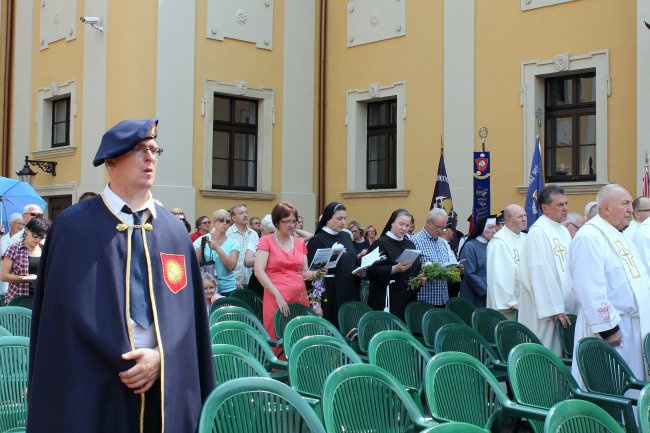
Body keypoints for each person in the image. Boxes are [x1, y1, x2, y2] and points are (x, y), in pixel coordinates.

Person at [26, 118, 215, 432]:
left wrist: (161, 356)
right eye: (139, 150)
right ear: (111, 160)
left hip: (162, 390)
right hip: (92, 388)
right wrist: (121, 359)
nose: (150, 157)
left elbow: (189, 317)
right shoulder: (74, 228)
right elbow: (60, 323)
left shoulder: (173, 231)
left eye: (154, 150)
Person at [570, 184, 649, 383]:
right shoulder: (589, 237)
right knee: (613, 383)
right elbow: (588, 287)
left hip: (632, 326)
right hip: (613, 330)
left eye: (631, 204)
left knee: (632, 384)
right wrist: (608, 329)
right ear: (606, 208)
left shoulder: (618, 235)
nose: (631, 209)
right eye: (625, 204)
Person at [518, 184, 576, 356]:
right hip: (547, 312)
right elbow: (538, 272)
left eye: (566, 203)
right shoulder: (538, 232)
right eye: (560, 205)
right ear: (545, 208)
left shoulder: (563, 231)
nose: (565, 208)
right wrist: (554, 307)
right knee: (548, 353)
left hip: (565, 307)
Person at [254, 202, 321, 342]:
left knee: (300, 335)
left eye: (294, 221)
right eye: (287, 221)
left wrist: (317, 273)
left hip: (300, 296)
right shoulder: (266, 241)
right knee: (277, 335)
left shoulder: (299, 242)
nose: (292, 225)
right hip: (276, 296)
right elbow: (259, 271)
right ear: (277, 222)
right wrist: (277, 296)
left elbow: (303, 273)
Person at [307, 202, 360, 327]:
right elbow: (313, 276)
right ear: (328, 218)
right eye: (339, 219)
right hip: (330, 293)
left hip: (349, 290)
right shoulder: (318, 240)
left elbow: (352, 259)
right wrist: (315, 303)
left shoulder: (346, 236)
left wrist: (360, 270)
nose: (343, 222)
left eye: (344, 219)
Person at [366, 209, 422, 319]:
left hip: (407, 298)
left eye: (407, 225)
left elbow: (415, 267)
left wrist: (419, 279)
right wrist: (393, 269)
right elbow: (371, 270)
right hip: (389, 298)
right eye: (401, 224)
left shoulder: (410, 244)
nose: (404, 228)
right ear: (392, 222)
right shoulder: (380, 243)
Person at [411, 208, 459, 307]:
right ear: (428, 223)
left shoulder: (443, 243)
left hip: (443, 298)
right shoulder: (414, 241)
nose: (441, 231)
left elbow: (447, 265)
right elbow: (410, 272)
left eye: (443, 228)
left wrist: (455, 270)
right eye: (438, 227)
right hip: (424, 300)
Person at [486, 204, 527, 320]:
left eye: (525, 215)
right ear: (508, 220)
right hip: (510, 307)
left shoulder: (526, 238)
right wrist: (510, 301)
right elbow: (499, 275)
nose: (524, 219)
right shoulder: (499, 242)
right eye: (520, 217)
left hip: (525, 302)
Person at [1, 217, 48, 305]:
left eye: (41, 236)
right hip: (17, 300)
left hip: (40, 300)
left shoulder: (45, 250)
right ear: (26, 230)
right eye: (34, 235)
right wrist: (23, 278)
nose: (37, 239)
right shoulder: (14, 248)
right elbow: (3, 276)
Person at [194, 209, 240, 297]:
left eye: (227, 221)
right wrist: (202, 246)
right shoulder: (203, 239)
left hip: (227, 288)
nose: (224, 223)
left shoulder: (233, 243)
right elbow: (193, 264)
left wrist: (217, 248)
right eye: (221, 220)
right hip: (207, 288)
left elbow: (231, 266)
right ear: (214, 222)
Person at [458, 215, 497, 308]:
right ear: (481, 228)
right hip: (474, 294)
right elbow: (469, 273)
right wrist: (486, 290)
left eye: (495, 227)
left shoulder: (492, 246)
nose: (494, 231)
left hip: (490, 293)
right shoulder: (470, 246)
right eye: (490, 227)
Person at [226, 203, 259, 287]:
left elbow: (257, 255)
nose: (245, 215)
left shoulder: (254, 234)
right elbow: (224, 260)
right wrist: (233, 280)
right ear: (233, 218)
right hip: (232, 282)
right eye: (241, 213)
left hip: (251, 281)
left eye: (246, 212)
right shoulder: (227, 234)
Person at [244, 214, 275, 297]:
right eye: (271, 232)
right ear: (262, 230)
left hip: (275, 280)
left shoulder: (279, 242)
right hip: (257, 282)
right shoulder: (255, 241)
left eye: (276, 232)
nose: (274, 235)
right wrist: (265, 257)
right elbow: (247, 261)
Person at [0, 213, 25, 296]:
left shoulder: (23, 240)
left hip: (15, 275)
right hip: (2, 272)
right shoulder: (3, 239)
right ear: (11, 223)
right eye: (19, 223)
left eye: (23, 224)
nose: (21, 226)